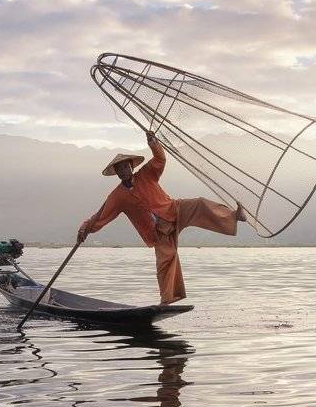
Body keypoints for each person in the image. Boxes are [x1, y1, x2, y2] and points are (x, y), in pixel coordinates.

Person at [78, 130, 246, 305]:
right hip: (158, 232)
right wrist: (85, 228)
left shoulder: (146, 174)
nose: (124, 170)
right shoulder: (118, 196)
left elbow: (160, 160)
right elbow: (101, 215)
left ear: (131, 167)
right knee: (165, 261)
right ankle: (167, 300)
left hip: (174, 210)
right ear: (117, 173)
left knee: (201, 204)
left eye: (126, 166)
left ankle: (235, 216)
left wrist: (153, 143)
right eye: (120, 169)